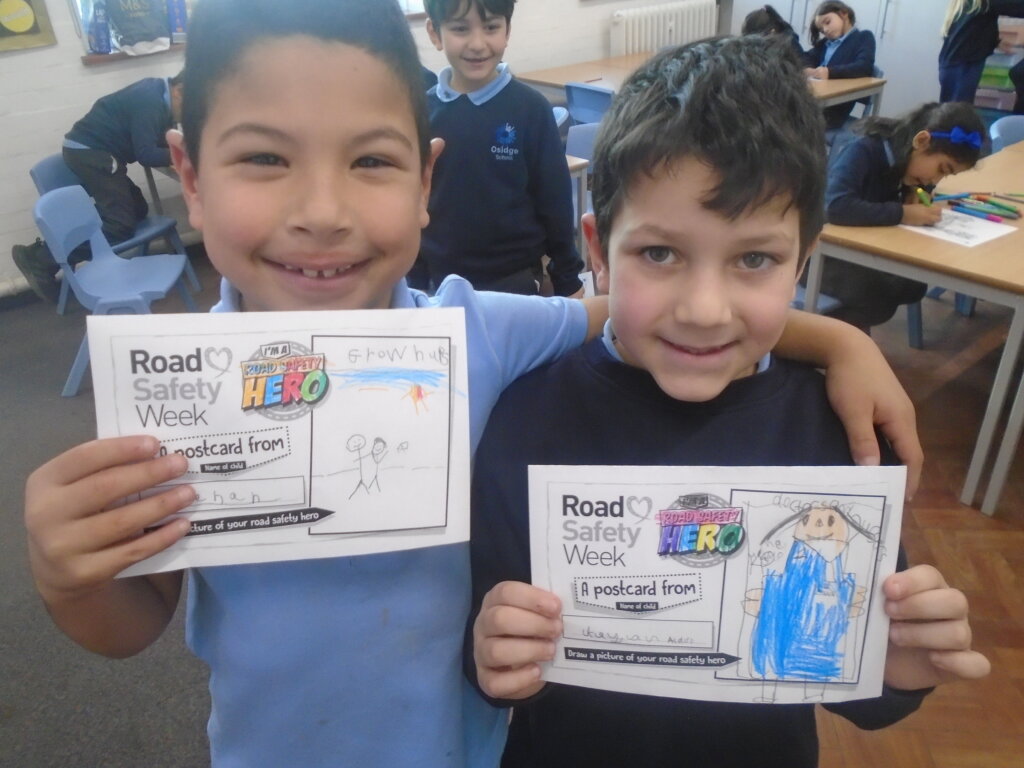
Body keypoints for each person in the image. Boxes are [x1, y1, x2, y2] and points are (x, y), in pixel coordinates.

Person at [23, 1, 927, 765]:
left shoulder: (477, 332)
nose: (322, 213)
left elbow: (643, 309)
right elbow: (136, 619)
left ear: (426, 181)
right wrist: (71, 579)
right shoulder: (175, 393)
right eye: (264, 158)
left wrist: (837, 340)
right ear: (189, 176)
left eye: (371, 161)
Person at [466, 37, 989, 768]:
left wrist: (898, 665)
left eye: (754, 259)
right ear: (598, 249)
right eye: (659, 253)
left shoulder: (839, 431)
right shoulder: (524, 417)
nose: (705, 310)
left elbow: (860, 689)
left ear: (801, 262)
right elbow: (487, 652)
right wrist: (491, 653)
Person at [414, 0, 584, 297]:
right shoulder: (420, 110)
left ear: (507, 31)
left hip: (514, 280)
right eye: (460, 29)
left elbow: (555, 202)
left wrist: (568, 278)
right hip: (438, 283)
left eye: (491, 27)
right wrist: (413, 282)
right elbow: (411, 202)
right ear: (434, 33)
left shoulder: (530, 109)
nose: (478, 44)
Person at [11, 72, 184, 303]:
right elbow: (146, 154)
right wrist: (189, 152)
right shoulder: (150, 101)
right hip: (91, 152)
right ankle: (41, 258)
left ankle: (69, 238)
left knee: (137, 209)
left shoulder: (159, 93)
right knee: (121, 225)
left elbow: (159, 141)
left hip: (96, 150)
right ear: (179, 91)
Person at [815, 101, 985, 330]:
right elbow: (836, 207)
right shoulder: (862, 148)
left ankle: (847, 333)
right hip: (820, 253)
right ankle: (834, 337)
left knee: (913, 284)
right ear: (921, 141)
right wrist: (902, 213)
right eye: (942, 169)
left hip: (863, 245)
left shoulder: (905, 155)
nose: (936, 180)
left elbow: (921, 179)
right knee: (875, 297)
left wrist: (919, 189)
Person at [803, 1, 876, 131]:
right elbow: (806, 57)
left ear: (844, 14)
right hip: (813, 102)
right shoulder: (826, 43)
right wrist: (807, 69)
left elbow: (863, 67)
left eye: (827, 22)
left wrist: (829, 72)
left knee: (782, 118)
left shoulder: (863, 37)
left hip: (833, 110)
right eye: (821, 29)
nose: (825, 30)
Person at [939, 0, 1024, 103]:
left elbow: (973, 28)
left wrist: (995, 41)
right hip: (964, 66)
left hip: (949, 65)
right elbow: (1017, 6)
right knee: (959, 108)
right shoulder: (985, 2)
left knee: (950, 106)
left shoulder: (966, 3)